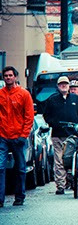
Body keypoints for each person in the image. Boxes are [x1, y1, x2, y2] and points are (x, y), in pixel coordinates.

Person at [44, 76, 78, 195]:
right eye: (61, 84)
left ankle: (74, 180)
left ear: (69, 86)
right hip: (58, 135)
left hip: (73, 135)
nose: (64, 86)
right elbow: (46, 115)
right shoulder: (52, 99)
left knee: (72, 158)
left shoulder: (76, 99)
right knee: (59, 161)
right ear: (58, 86)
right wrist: (54, 123)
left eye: (66, 84)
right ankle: (60, 185)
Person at [0, 66, 34, 207]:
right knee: (0, 168)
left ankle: (19, 196)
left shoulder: (23, 94)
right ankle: (0, 199)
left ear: (15, 77)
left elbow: (29, 116)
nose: (8, 77)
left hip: (18, 136)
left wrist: (23, 135)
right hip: (2, 136)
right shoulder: (0, 94)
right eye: (6, 75)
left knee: (20, 168)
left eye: (10, 75)